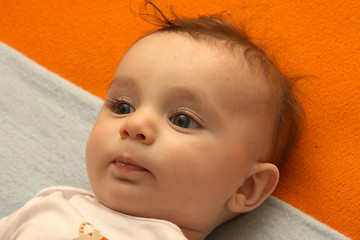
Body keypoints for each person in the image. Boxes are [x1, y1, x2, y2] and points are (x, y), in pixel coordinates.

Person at [0, 2, 304, 240]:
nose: (134, 125)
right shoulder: (49, 206)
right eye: (122, 106)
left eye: (182, 120)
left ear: (247, 187)